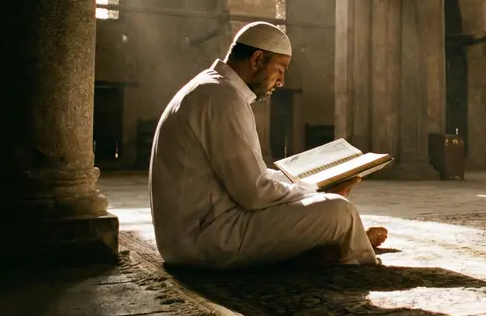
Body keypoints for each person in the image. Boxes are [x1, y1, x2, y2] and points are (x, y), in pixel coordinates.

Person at [148, 21, 387, 269]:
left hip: (191, 234)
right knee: (340, 211)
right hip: (206, 237)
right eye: (280, 69)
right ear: (257, 59)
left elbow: (253, 178)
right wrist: (317, 191)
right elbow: (254, 193)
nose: (281, 81)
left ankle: (336, 245)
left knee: (323, 206)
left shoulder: (210, 88)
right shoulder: (222, 98)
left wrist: (307, 185)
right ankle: (347, 247)